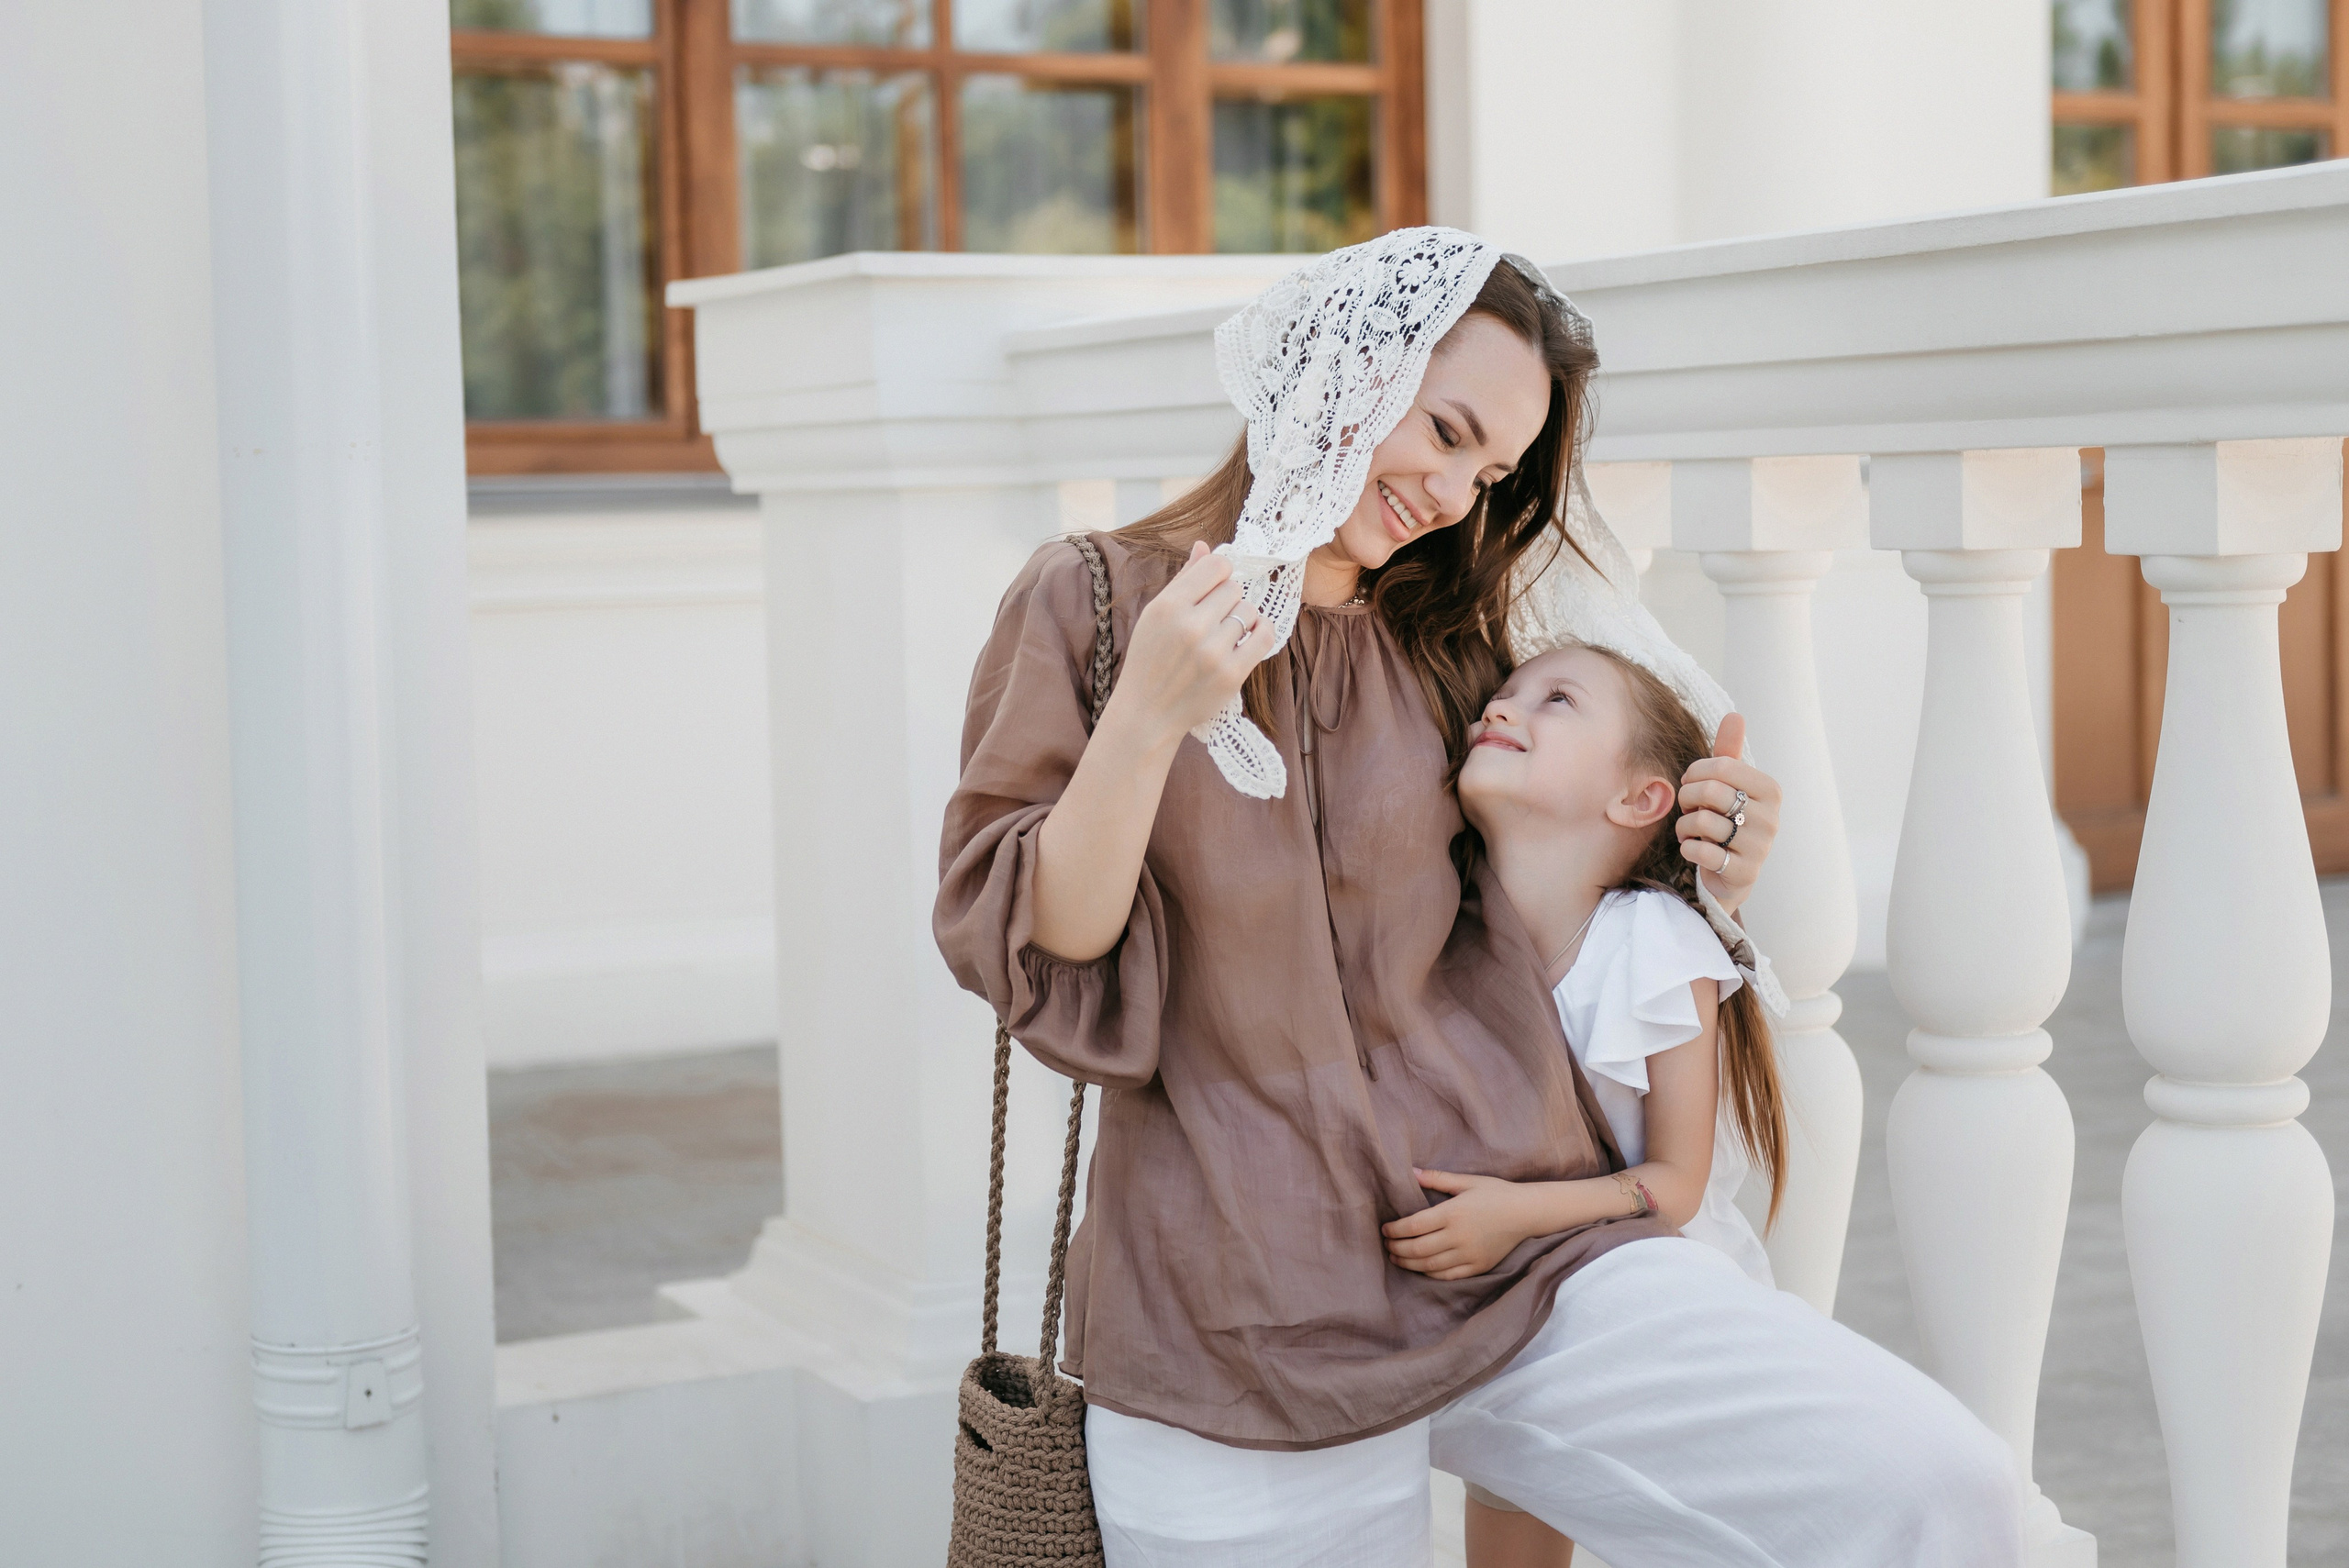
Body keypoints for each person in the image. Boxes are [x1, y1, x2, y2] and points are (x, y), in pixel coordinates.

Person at [936, 228, 2019, 1567]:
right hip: (1239, 1303)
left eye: (1490, 470)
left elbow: (1560, 876)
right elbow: (1049, 941)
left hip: (1517, 1253)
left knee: (1946, 1493)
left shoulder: (1449, 640)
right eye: (1442, 432)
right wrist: (1149, 717)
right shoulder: (1094, 599)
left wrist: (1704, 837)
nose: (1450, 494)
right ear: (1345, 367)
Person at [1392, 642, 1794, 1568]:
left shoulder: (1651, 943)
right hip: (1521, 1291)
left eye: (1557, 697)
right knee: (1518, 1493)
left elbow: (1676, 1184)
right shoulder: (1447, 939)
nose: (1502, 705)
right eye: (1502, 691)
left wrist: (1513, 1213)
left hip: (1651, 1301)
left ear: (1638, 799)